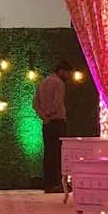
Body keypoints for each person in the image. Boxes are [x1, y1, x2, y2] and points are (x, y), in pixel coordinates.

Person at [33, 60, 72, 193]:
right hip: (57, 122)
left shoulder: (42, 82)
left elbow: (35, 104)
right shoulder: (59, 83)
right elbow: (57, 102)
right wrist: (50, 114)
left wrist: (43, 116)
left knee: (48, 153)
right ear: (61, 71)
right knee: (59, 154)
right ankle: (58, 184)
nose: (68, 76)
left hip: (46, 124)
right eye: (67, 73)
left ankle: (48, 184)